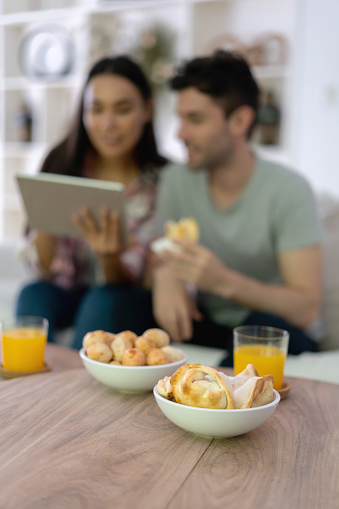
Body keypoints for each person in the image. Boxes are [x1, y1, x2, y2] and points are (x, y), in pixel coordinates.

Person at [151, 50, 324, 366]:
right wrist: (165, 276)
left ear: (240, 121)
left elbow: (306, 308)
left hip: (278, 331)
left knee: (264, 328)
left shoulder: (289, 190)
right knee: (126, 305)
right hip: (206, 321)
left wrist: (222, 282)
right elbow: (160, 258)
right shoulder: (175, 180)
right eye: (180, 118)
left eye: (196, 119)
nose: (180, 133)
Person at [16, 55, 166, 349]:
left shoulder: (162, 183)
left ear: (147, 109)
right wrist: (46, 216)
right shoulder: (62, 163)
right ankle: (29, 383)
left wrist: (110, 259)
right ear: (83, 114)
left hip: (127, 301)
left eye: (122, 109)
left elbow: (136, 281)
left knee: (104, 298)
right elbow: (43, 269)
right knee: (33, 293)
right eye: (96, 109)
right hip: (71, 292)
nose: (107, 124)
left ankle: (75, 391)